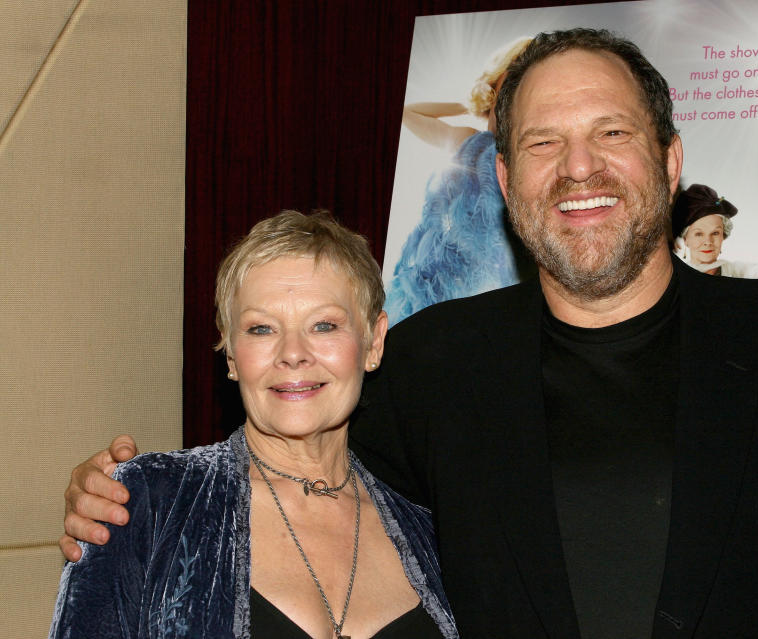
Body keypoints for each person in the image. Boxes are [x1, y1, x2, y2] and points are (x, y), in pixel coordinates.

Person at [60, 29, 758, 639]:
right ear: (507, 181)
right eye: (544, 143)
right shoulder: (432, 361)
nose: (578, 168)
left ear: (670, 162)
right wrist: (120, 497)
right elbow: (289, 439)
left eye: (610, 134)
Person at [50, 211, 457, 639]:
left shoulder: (431, 532)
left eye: (324, 325)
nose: (293, 353)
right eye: (262, 329)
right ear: (230, 355)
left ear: (373, 343)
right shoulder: (148, 505)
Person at [385, 37, 534, 325]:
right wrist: (470, 103)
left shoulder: (532, 152)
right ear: (492, 91)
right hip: (450, 272)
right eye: (508, 84)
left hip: (507, 275)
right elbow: (410, 112)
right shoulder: (470, 142)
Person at [672, 183, 758, 279]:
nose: (708, 241)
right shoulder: (678, 276)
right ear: (686, 238)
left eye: (715, 233)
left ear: (723, 235)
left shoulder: (734, 271)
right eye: (699, 234)